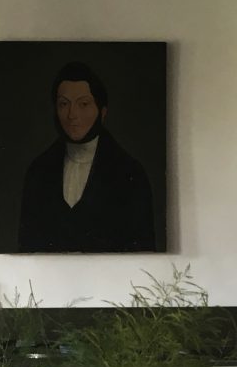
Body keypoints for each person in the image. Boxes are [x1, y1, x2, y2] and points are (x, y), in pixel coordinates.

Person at [16, 61, 157, 253]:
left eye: (83, 104)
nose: (72, 115)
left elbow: (143, 251)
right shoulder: (38, 171)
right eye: (64, 104)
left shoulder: (130, 173)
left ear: (102, 112)